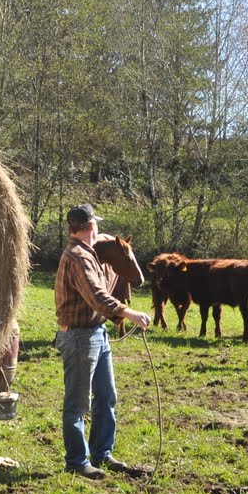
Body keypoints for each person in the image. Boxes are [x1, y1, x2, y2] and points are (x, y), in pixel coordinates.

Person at [53, 203, 153, 479]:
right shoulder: (78, 257)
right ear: (90, 227)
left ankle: (101, 454)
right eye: (96, 224)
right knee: (77, 403)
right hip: (80, 337)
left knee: (106, 396)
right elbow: (97, 296)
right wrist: (129, 312)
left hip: (96, 333)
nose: (98, 228)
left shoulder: (87, 253)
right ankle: (76, 461)